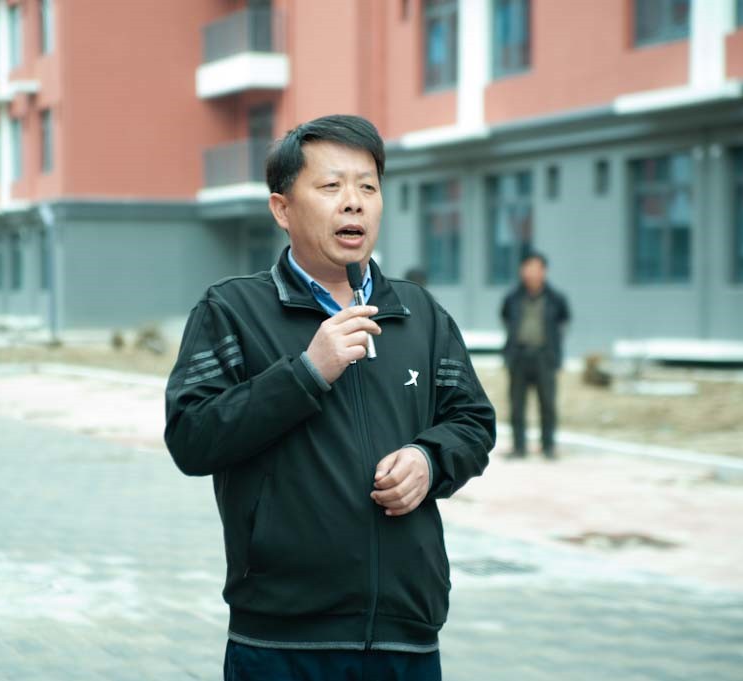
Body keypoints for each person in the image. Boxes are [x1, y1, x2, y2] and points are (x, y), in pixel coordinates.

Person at [164, 114, 496, 681]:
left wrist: (429, 459)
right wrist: (306, 372)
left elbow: (472, 422)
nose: (354, 203)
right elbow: (192, 438)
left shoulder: (419, 313)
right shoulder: (232, 311)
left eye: (368, 186)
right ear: (282, 208)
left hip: (405, 636)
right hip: (281, 640)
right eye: (331, 186)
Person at [500, 251, 571, 460]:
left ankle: (548, 446)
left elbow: (564, 321)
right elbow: (505, 317)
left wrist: (555, 350)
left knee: (547, 404)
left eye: (535, 268)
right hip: (519, 356)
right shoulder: (512, 298)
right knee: (517, 405)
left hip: (544, 356)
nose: (531, 273)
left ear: (544, 271)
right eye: (527, 268)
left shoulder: (556, 298)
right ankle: (519, 447)